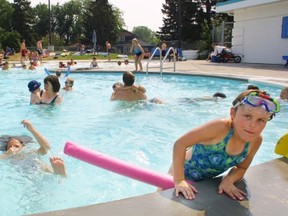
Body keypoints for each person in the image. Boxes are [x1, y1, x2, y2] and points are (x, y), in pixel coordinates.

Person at [168, 89, 280, 200]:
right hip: (177, 176)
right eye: (247, 116)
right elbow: (180, 144)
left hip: (205, 185)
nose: (253, 125)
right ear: (233, 113)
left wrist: (228, 180)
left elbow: (241, 167)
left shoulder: (255, 141)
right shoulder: (220, 128)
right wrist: (179, 180)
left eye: (260, 120)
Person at [0, 120, 66, 176]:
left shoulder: (29, 152)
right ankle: (58, 175)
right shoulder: (7, 157)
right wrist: (7, 154)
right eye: (10, 147)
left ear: (22, 147)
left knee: (41, 166)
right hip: (24, 175)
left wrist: (32, 129)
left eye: (16, 146)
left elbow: (46, 147)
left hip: (37, 168)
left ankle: (57, 173)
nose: (12, 148)